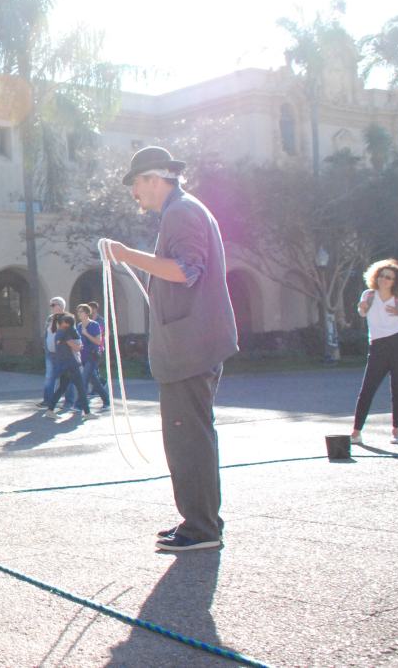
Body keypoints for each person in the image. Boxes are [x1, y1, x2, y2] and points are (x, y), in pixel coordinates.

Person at [104, 146, 239, 552]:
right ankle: (202, 520)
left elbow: (185, 271)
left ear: (153, 178)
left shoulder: (181, 212)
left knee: (188, 439)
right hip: (192, 345)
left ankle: (201, 529)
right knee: (193, 436)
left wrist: (128, 256)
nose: (134, 194)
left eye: (136, 184)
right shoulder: (184, 210)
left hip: (190, 347)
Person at [350, 259, 398, 446]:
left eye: (389, 277)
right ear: (375, 276)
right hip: (378, 345)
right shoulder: (369, 294)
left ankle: (396, 431)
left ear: (395, 281)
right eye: (381, 276)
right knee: (367, 389)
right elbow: (362, 311)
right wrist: (361, 307)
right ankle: (356, 432)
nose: (384, 279)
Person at [42, 313, 95, 419]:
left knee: (62, 388)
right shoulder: (65, 333)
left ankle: (50, 410)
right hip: (71, 364)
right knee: (81, 388)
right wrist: (79, 346)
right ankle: (88, 413)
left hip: (64, 364)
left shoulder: (59, 332)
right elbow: (76, 347)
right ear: (65, 323)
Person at [40, 298, 77, 410]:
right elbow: (46, 334)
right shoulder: (50, 319)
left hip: (64, 355)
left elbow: (73, 336)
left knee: (67, 379)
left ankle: (69, 401)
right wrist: (46, 347)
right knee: (49, 377)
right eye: (51, 305)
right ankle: (48, 400)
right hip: (50, 354)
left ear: (60, 306)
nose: (51, 307)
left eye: (53, 305)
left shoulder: (68, 319)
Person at [76, 304, 110, 411]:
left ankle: (79, 404)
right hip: (83, 356)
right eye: (78, 311)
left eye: (81, 311)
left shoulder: (94, 325)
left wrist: (86, 334)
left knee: (84, 379)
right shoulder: (79, 326)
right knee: (95, 381)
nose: (79, 313)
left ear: (87, 313)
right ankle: (107, 401)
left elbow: (98, 341)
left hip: (93, 355)